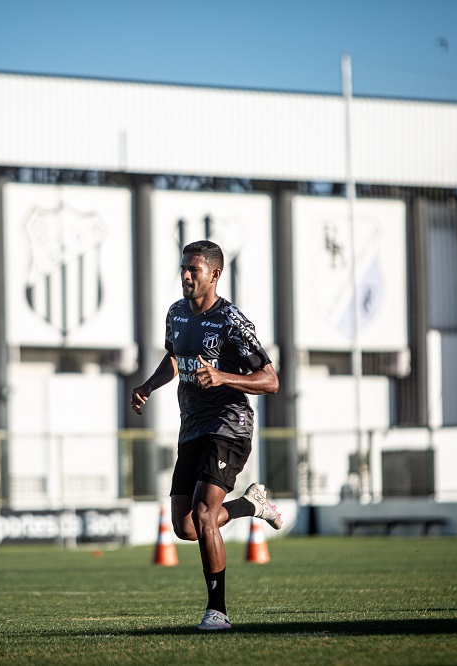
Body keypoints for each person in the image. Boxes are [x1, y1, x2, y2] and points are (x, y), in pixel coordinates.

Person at [130, 239, 282, 631]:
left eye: (193, 270)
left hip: (230, 425)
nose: (185, 276)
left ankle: (218, 612)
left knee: (203, 513)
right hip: (192, 426)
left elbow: (270, 380)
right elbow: (174, 359)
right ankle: (251, 506)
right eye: (183, 268)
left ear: (214, 275)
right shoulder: (176, 314)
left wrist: (222, 376)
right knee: (186, 527)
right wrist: (148, 385)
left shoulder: (232, 321)